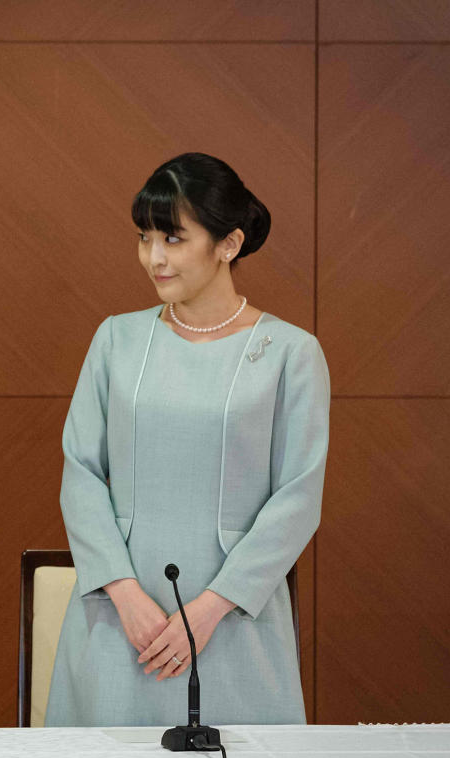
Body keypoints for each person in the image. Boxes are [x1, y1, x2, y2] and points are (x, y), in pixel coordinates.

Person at [45, 152, 328, 726]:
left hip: (233, 623)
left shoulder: (291, 354)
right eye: (145, 237)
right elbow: (80, 470)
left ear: (228, 244)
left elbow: (298, 498)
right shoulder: (115, 340)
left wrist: (206, 611)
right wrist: (126, 595)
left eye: (173, 238)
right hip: (119, 621)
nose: (154, 257)